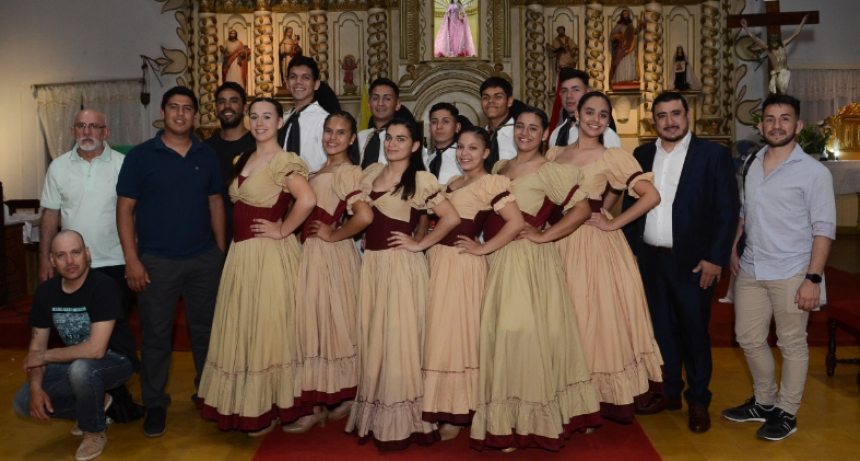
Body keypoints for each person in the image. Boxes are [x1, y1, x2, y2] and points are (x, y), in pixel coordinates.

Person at [470, 107, 601, 452]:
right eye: (520, 127)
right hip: (497, 257)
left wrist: (544, 236)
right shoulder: (500, 167)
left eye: (533, 128)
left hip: (526, 262)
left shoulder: (550, 170)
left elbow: (582, 210)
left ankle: (526, 422)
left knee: (520, 336)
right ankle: (509, 418)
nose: (525, 133)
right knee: (503, 336)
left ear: (544, 134)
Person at [197, 97, 317, 435]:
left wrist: (282, 229)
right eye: (254, 116)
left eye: (267, 116)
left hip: (269, 256)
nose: (260, 122)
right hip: (242, 255)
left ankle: (275, 408)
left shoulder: (284, 160)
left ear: (280, 122)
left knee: (270, 331)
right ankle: (250, 405)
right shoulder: (244, 157)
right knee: (246, 329)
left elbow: (307, 199)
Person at [623, 92, 738, 433]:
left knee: (693, 332)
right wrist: (631, 250)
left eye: (675, 113)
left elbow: (727, 210)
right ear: (653, 121)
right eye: (662, 115)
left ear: (688, 115)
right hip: (651, 260)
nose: (669, 121)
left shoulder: (712, 155)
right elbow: (631, 207)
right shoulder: (642, 155)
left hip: (694, 263)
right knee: (661, 330)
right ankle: (670, 392)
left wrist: (715, 258)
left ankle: (698, 400)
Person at [722, 94, 835, 441]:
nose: (777, 125)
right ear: (760, 126)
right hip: (752, 268)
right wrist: (735, 247)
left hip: (793, 270)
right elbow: (745, 211)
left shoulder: (814, 172)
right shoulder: (751, 163)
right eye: (770, 119)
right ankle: (765, 402)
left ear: (798, 125)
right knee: (748, 337)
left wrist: (813, 278)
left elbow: (824, 229)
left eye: (785, 118)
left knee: (792, 343)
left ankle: (787, 412)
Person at [116, 86, 227, 438]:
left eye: (187, 108)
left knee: (206, 333)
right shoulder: (140, 156)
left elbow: (215, 202)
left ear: (195, 115)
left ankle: (208, 394)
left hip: (203, 259)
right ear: (162, 112)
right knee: (156, 336)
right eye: (174, 107)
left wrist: (219, 253)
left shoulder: (207, 155)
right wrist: (132, 260)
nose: (180, 114)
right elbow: (125, 209)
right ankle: (155, 404)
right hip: (156, 262)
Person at [345, 117, 462, 450]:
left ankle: (407, 420)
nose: (392, 144)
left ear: (415, 146)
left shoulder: (421, 179)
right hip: (373, 266)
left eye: (401, 139)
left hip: (401, 267)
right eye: (389, 138)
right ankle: (378, 414)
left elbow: (451, 217)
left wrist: (419, 244)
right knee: (376, 338)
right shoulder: (371, 174)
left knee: (401, 339)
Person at [547, 92, 663, 421]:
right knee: (558, 318)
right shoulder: (554, 154)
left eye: (602, 114)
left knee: (590, 317)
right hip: (555, 241)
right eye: (589, 112)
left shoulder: (613, 156)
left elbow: (650, 196)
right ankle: (562, 393)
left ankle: (592, 399)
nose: (595, 119)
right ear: (577, 115)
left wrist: (613, 223)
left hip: (592, 246)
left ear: (608, 121)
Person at [422, 126, 524, 441]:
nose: (465, 153)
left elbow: (516, 222)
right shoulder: (453, 182)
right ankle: (439, 405)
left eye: (473, 148)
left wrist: (483, 249)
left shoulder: (491, 183)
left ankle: (459, 410)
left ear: (486, 153)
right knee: (437, 333)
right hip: (437, 260)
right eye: (461, 147)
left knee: (456, 336)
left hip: (462, 265)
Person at [13, 230, 139, 461]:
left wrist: (44, 356)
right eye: (61, 255)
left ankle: (93, 430)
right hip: (74, 363)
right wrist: (36, 388)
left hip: (116, 360)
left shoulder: (104, 286)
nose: (70, 261)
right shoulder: (46, 292)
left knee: (82, 368)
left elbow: (96, 350)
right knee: (23, 402)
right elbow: (35, 349)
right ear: (52, 260)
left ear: (87, 254)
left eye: (75, 253)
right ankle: (98, 404)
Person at [290, 111, 372, 430]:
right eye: (328, 130)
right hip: (311, 255)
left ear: (352, 139)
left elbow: (364, 216)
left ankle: (326, 402)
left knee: (332, 323)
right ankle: (328, 399)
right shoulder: (315, 171)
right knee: (315, 324)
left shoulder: (348, 172)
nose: (333, 137)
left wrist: (334, 234)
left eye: (341, 132)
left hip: (331, 256)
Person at [205, 82, 256, 247]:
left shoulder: (258, 145)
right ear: (215, 109)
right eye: (221, 101)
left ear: (245, 109)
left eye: (233, 101)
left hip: (251, 236)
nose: (227, 106)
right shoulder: (205, 149)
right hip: (213, 237)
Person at [278, 56, 330, 172]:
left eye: (305, 77)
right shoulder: (284, 119)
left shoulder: (324, 120)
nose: (298, 82)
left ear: (316, 84)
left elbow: (330, 163)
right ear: (287, 83)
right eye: (293, 77)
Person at [549, 68, 622, 148]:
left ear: (588, 92)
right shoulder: (556, 133)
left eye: (576, 90)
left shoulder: (605, 134)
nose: (569, 95)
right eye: (564, 91)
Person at [741, 15, 808, 95]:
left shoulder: (783, 45)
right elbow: (755, 38)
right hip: (777, 73)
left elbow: (795, 34)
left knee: (786, 91)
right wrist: (745, 27)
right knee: (782, 91)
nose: (775, 45)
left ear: (778, 41)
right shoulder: (769, 49)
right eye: (773, 43)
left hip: (786, 72)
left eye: (776, 43)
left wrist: (803, 22)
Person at [357, 78, 402, 169]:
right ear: (369, 104)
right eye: (375, 98)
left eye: (387, 99)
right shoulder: (360, 137)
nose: (380, 103)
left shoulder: (405, 138)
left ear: (397, 104)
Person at [480, 77, 518, 167]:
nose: (491, 101)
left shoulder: (521, 134)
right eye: (486, 97)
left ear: (509, 101)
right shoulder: (479, 136)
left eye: (498, 97)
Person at [426, 102, 463, 183]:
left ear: (457, 127)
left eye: (445, 121)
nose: (439, 126)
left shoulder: (464, 157)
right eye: (434, 122)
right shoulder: (426, 159)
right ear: (429, 128)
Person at [609, 9, 643, 87]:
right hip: (621, 48)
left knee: (630, 63)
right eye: (624, 14)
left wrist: (641, 25)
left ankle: (629, 79)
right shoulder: (619, 26)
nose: (626, 15)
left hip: (630, 48)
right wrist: (615, 37)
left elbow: (636, 32)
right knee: (621, 64)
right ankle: (621, 79)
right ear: (622, 15)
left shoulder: (630, 26)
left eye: (627, 14)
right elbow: (612, 35)